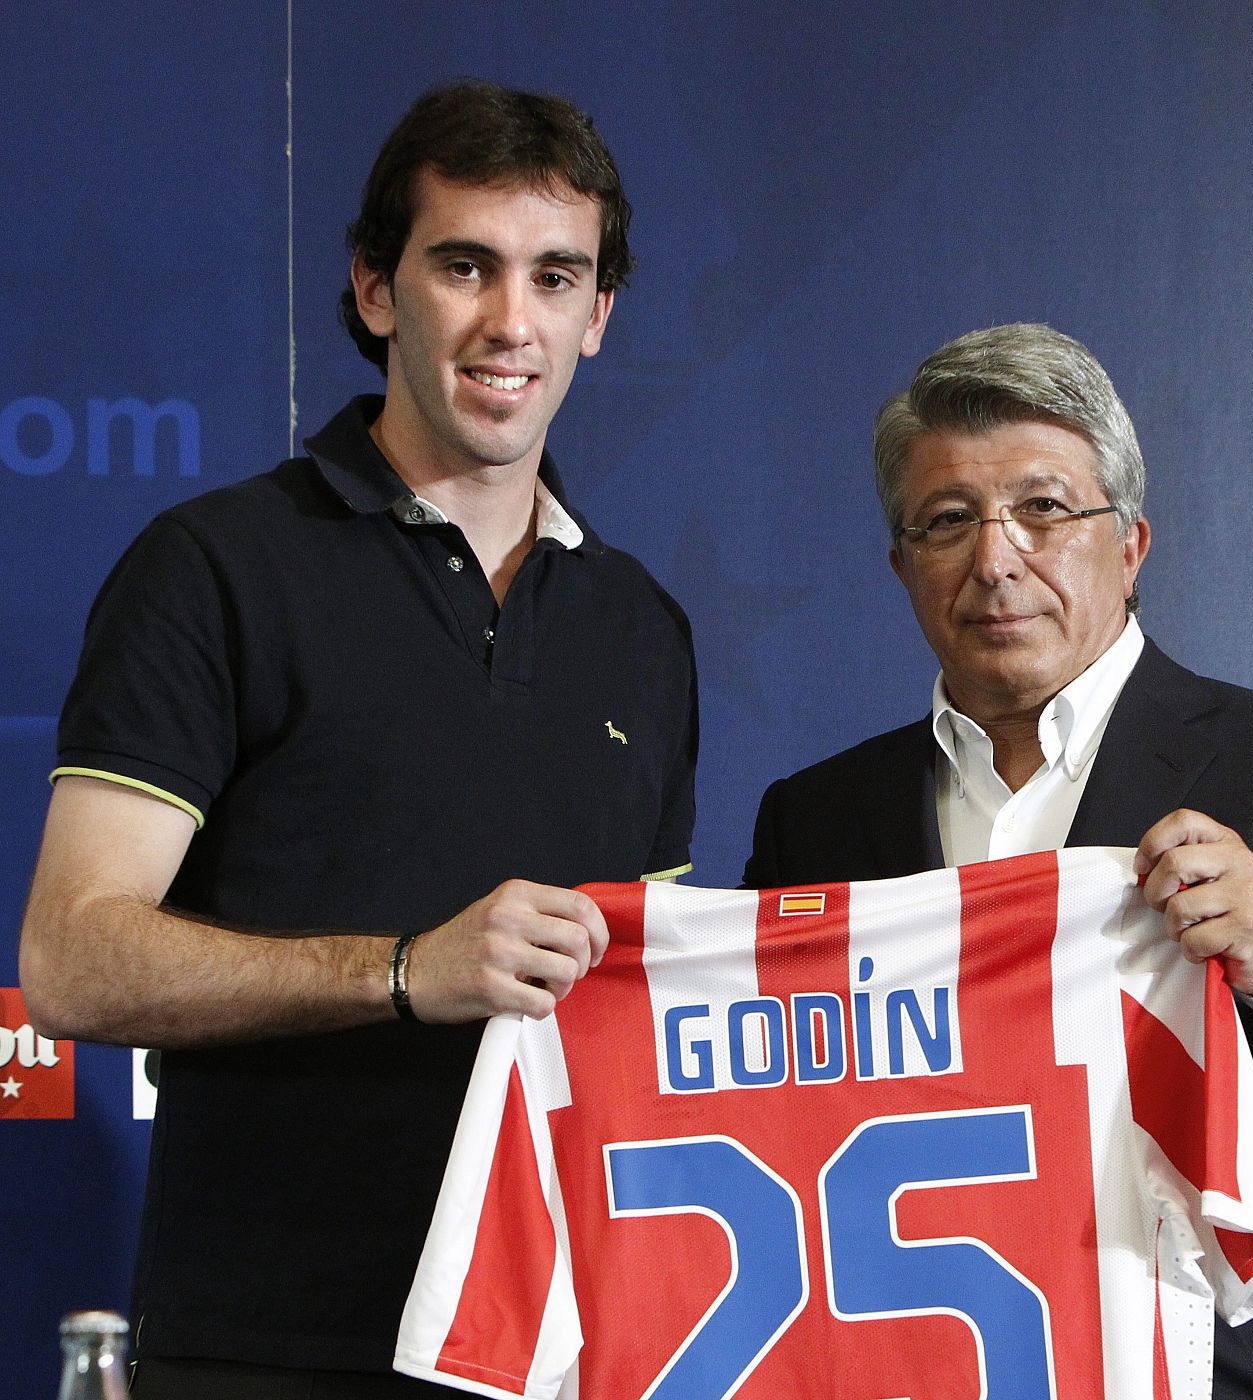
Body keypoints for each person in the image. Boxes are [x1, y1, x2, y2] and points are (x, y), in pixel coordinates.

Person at [19, 81, 697, 1397]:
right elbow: (69, 961)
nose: (513, 322)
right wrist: (402, 971)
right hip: (270, 1350)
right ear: (378, 290)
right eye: (465, 265)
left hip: (559, 1348)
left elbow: (635, 1013)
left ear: (598, 316)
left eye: (556, 277)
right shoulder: (214, 568)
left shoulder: (642, 629)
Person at [743, 322, 1253, 1398]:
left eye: (1043, 508)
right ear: (899, 565)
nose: (994, 557)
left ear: (1130, 543)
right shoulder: (812, 820)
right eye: (947, 520)